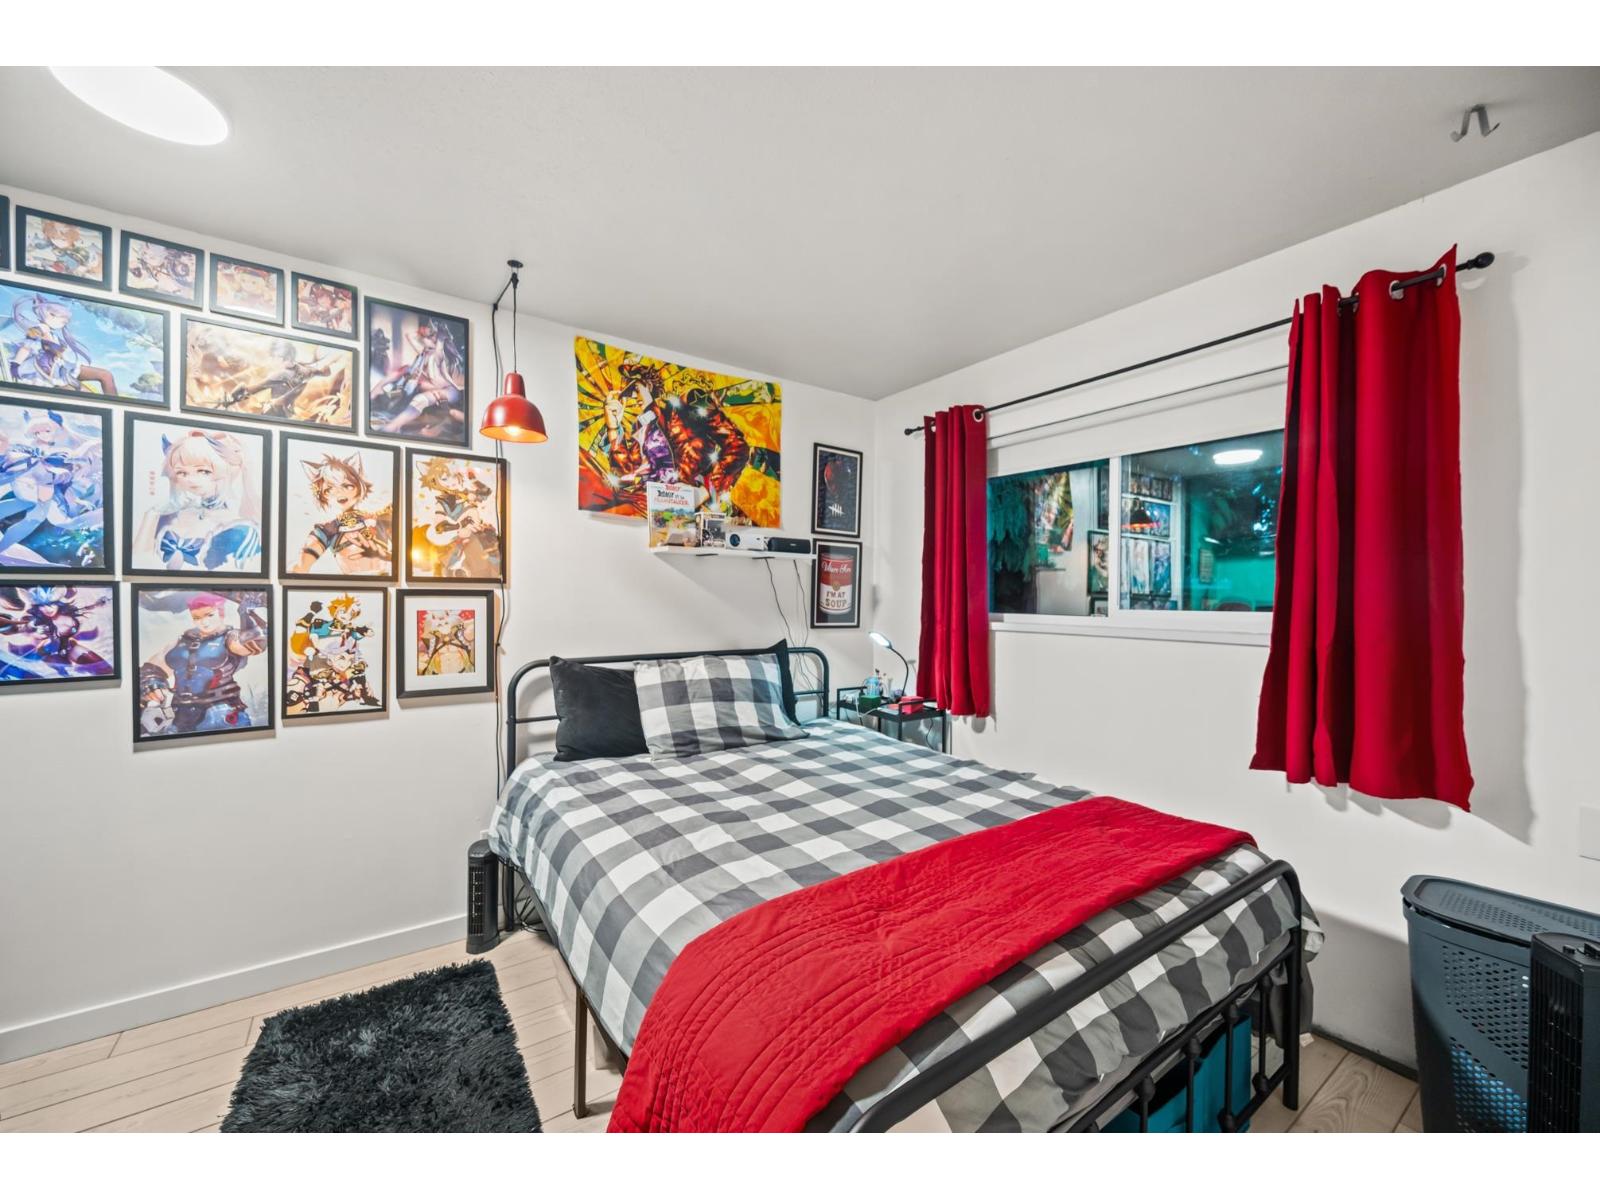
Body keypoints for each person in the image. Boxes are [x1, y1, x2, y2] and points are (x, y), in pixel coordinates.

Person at [132, 429, 261, 572]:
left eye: (203, 471)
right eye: (182, 473)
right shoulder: (171, 516)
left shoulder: (240, 530)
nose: (191, 480)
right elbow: (137, 565)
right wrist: (152, 515)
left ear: (225, 471)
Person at [139, 592, 267, 735]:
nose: (204, 622)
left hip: (220, 712)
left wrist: (246, 612)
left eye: (210, 615)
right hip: (179, 715)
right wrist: (153, 684)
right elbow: (152, 668)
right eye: (197, 618)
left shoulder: (230, 637)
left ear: (221, 613)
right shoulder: (183, 640)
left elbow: (254, 644)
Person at [292, 453, 391, 575]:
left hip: (386, 580)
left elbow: (408, 560)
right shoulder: (328, 529)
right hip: (351, 583)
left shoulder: (380, 520)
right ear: (322, 495)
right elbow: (302, 564)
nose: (339, 493)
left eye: (347, 486)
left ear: (359, 486)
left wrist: (385, 556)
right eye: (329, 489)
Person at [3, 293, 120, 395]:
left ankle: (114, 406)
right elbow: (26, 348)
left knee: (105, 375)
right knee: (93, 392)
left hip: (62, 368)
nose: (62, 324)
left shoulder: (52, 334)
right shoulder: (39, 329)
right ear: (47, 314)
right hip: (49, 372)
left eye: (65, 322)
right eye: (60, 319)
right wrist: (15, 365)